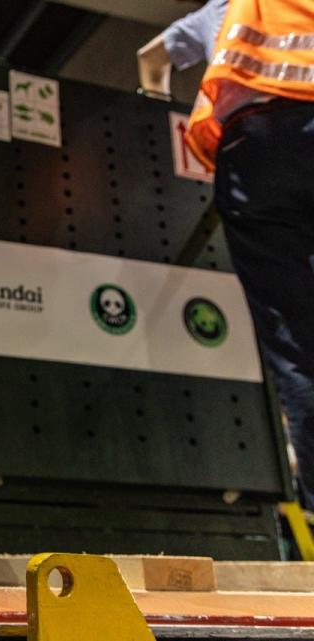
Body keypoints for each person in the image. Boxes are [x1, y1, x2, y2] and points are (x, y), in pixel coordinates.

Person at [140, 0, 314, 508]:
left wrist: (155, 106)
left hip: (253, 155)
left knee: (297, 346)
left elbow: (151, 57)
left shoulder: (225, 8)